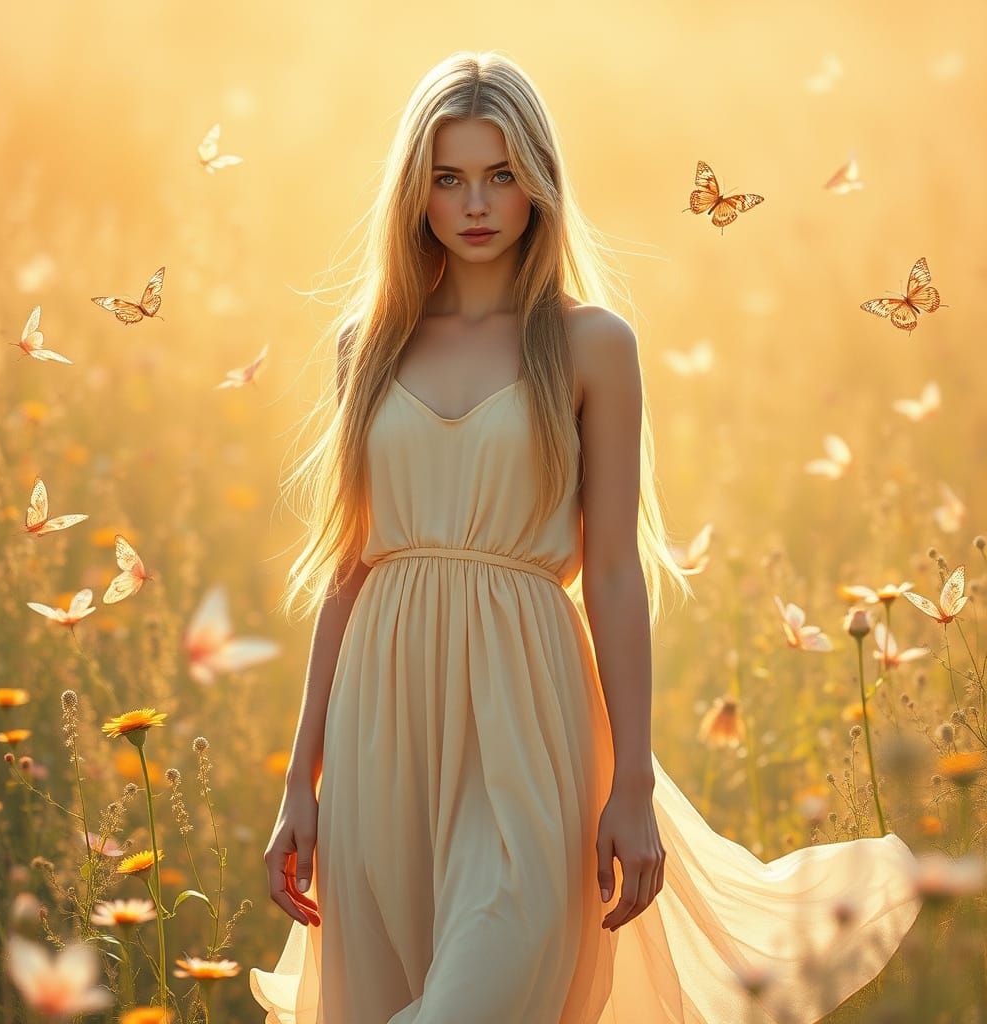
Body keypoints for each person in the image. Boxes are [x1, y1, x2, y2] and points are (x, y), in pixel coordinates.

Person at [251, 50, 923, 1024]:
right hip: (379, 721)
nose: (475, 202)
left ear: (537, 182)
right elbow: (348, 567)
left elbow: (611, 571)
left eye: (500, 173)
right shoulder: (367, 342)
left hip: (530, 716)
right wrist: (298, 783)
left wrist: (633, 786)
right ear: (417, 191)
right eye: (448, 177)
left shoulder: (592, 343)